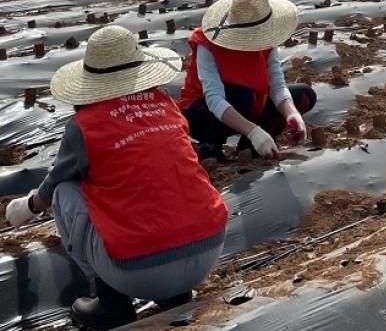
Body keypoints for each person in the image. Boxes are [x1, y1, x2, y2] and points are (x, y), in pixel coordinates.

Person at [4, 25, 227, 329]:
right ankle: (175, 295)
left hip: (139, 269)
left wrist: (27, 206)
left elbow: (54, 183)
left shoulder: (85, 125)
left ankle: (112, 303)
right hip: (208, 249)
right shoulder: (166, 106)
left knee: (66, 191)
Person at [179, 0, 316, 161]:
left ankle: (251, 145)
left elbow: (277, 84)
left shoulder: (267, 37)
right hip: (203, 113)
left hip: (252, 103)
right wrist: (253, 131)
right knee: (242, 95)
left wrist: (292, 115)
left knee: (305, 95)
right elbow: (214, 98)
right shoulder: (206, 42)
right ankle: (211, 147)